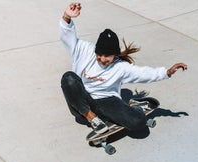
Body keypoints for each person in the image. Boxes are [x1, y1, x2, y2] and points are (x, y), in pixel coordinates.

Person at [59, 2, 187, 134]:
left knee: (138, 123)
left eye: (108, 56)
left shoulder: (121, 67)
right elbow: (67, 36)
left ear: (115, 55)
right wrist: (66, 17)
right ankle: (91, 117)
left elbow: (143, 73)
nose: (103, 59)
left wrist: (166, 72)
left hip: (107, 101)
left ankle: (134, 107)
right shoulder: (84, 50)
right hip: (82, 102)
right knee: (68, 78)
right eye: (99, 54)